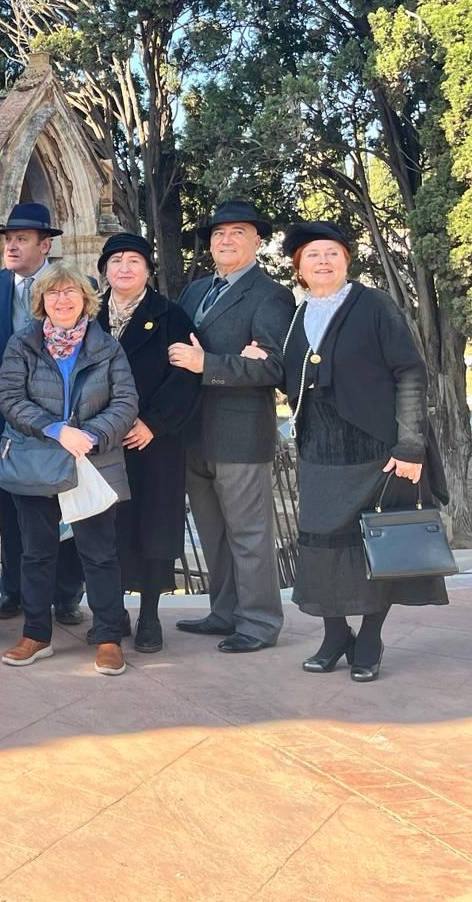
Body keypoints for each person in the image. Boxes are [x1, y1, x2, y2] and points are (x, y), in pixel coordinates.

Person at [243, 223, 447, 682]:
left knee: (377, 546)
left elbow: (410, 373)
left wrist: (410, 445)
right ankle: (336, 635)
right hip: (320, 451)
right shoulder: (298, 317)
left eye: (332, 252)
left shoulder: (374, 305)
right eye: (312, 255)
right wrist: (266, 364)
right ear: (298, 267)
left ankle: (370, 638)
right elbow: (302, 380)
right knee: (321, 547)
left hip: (379, 450)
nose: (323, 261)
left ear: (346, 259)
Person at [0, 263, 140, 675]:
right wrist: (58, 430)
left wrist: (89, 435)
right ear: (41, 301)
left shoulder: (107, 347)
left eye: (70, 292)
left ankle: (109, 636)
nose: (62, 300)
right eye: (53, 293)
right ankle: (36, 634)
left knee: (99, 554)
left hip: (92, 461)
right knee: (37, 554)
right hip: (37, 460)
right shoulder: (22, 344)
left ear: (86, 299)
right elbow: (9, 395)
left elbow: (125, 402)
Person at [169, 200, 295, 653]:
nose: (225, 240)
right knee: (214, 534)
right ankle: (224, 613)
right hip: (193, 432)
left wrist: (210, 363)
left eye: (237, 232)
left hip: (241, 435)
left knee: (249, 534)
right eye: (218, 233)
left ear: (257, 241)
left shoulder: (270, 295)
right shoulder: (195, 290)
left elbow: (276, 366)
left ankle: (259, 623)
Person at [0, 202, 85, 624]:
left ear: (46, 244)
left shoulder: (77, 285)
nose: (12, 246)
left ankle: (67, 593)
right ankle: (13, 589)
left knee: (67, 501)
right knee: (14, 500)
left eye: (22, 239)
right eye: (8, 239)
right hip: (5, 417)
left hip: (64, 418)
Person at [94, 233, 201, 654]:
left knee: (154, 526)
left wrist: (153, 423)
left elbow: (186, 377)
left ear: (148, 270)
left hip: (153, 443)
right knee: (108, 527)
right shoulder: (89, 315)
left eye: (133, 261)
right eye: (116, 260)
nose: (124, 268)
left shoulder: (171, 316)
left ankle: (151, 614)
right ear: (104, 269)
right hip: (103, 441)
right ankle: (112, 611)